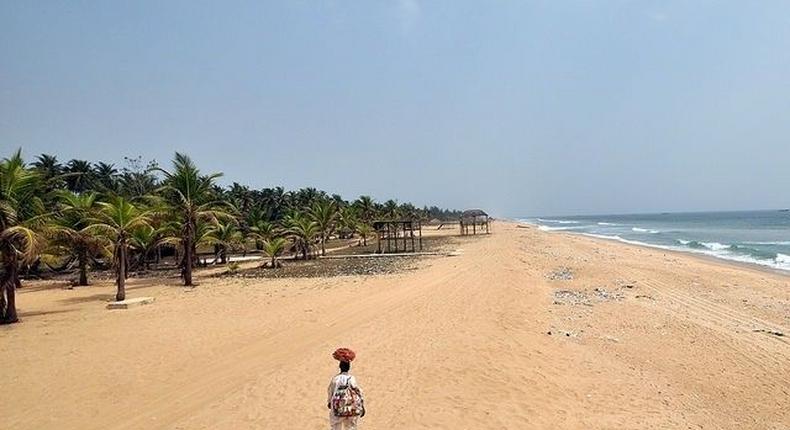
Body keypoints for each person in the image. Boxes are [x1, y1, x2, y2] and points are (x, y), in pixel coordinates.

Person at [327, 359, 365, 430]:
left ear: (340, 367)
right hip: (350, 407)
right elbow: (358, 391)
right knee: (351, 427)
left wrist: (329, 402)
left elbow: (330, 391)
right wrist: (362, 405)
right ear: (349, 368)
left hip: (337, 407)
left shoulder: (335, 379)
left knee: (335, 427)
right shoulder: (351, 379)